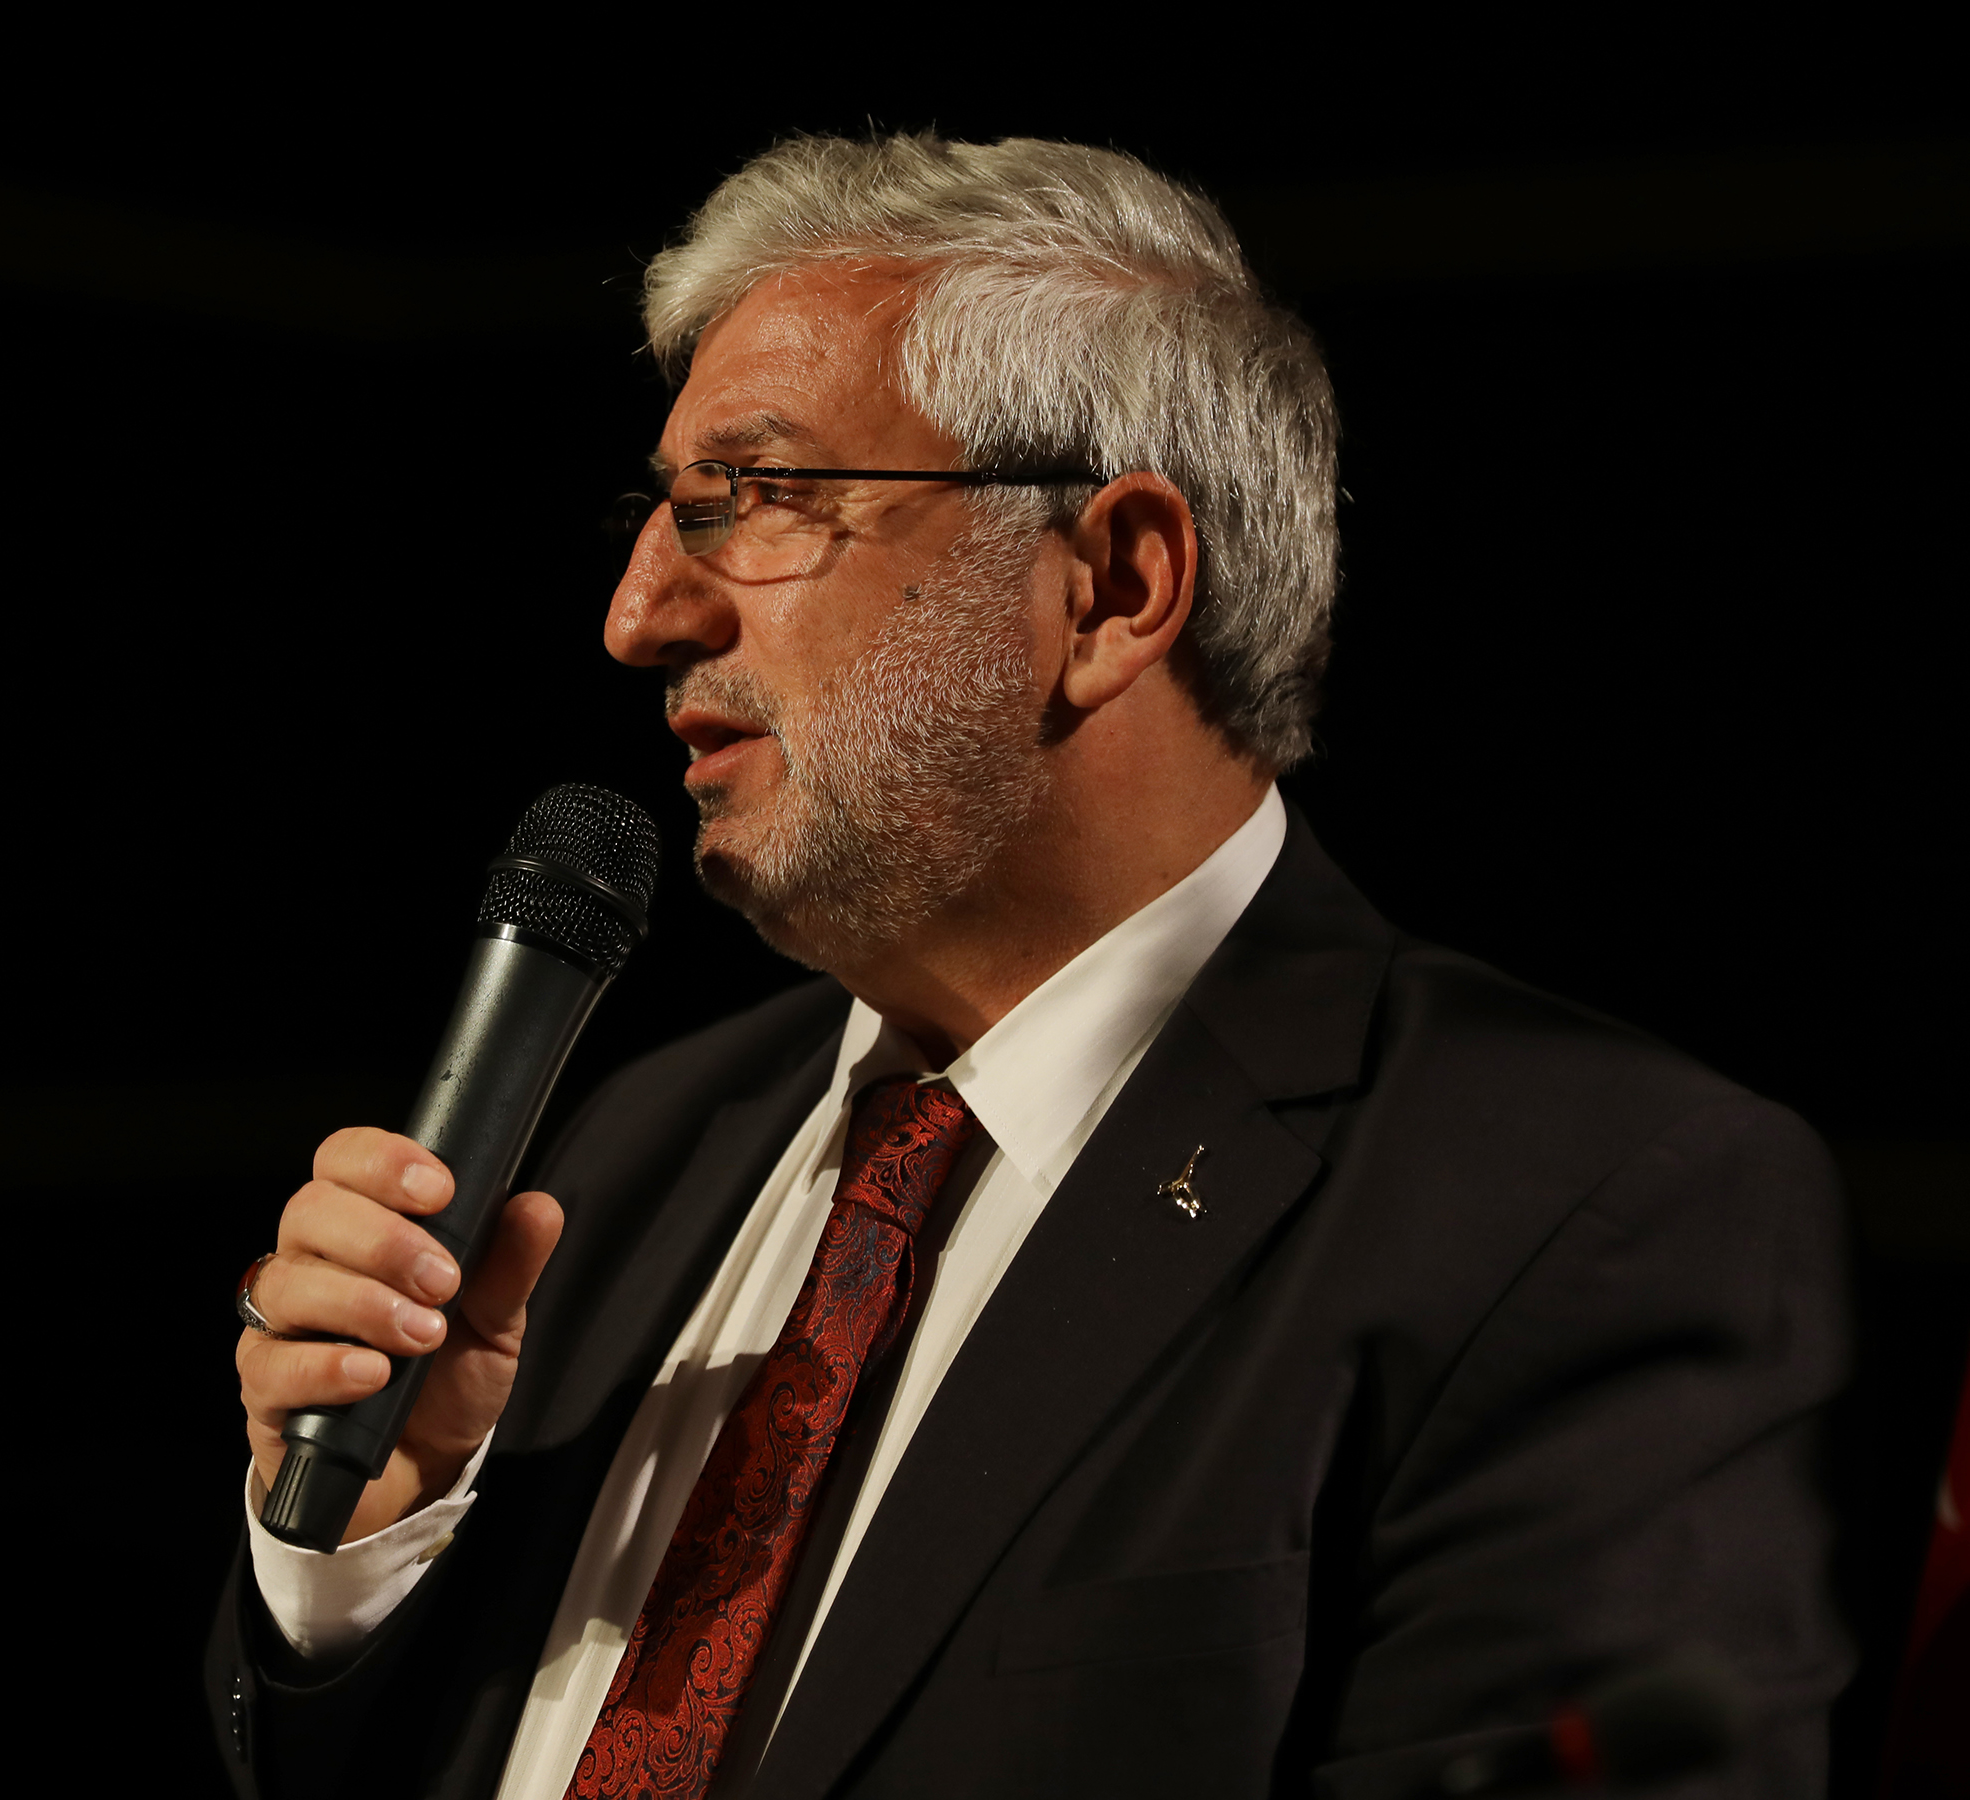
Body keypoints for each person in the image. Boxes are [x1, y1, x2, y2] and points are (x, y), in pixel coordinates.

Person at [204, 134, 1851, 1799]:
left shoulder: (1590, 1210)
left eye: (755, 498)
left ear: (1114, 587)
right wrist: (360, 1554)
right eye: (661, 511)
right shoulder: (638, 1142)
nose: (640, 614)